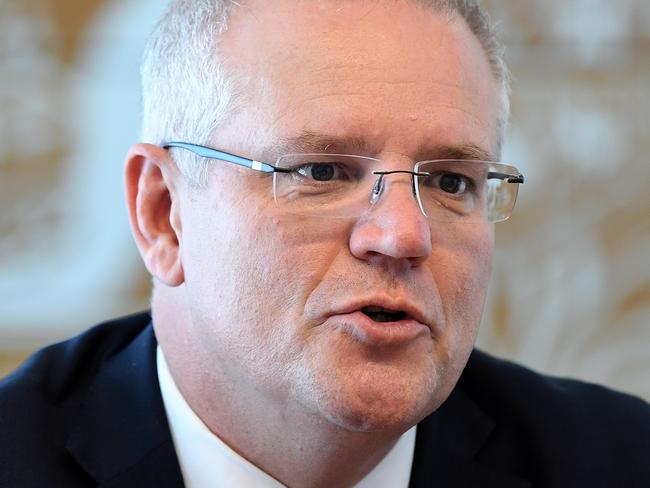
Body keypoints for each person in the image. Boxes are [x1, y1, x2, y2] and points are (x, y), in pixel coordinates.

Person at [1, 0, 649, 486]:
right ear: (164, 214)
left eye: (452, 181)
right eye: (321, 172)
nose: (402, 234)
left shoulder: (619, 461)